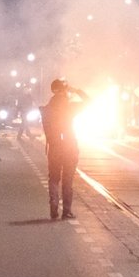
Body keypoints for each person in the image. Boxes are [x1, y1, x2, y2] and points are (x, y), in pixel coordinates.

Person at [40, 80, 84, 220]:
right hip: (69, 147)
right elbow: (89, 101)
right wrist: (76, 90)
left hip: (54, 148)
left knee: (53, 178)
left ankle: (53, 206)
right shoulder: (69, 107)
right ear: (64, 91)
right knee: (67, 180)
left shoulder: (47, 109)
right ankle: (66, 211)